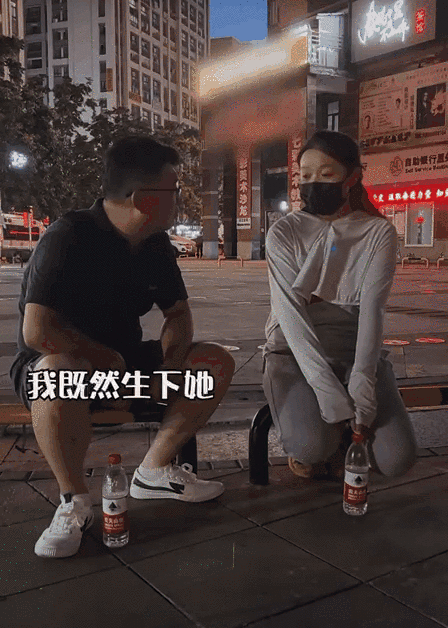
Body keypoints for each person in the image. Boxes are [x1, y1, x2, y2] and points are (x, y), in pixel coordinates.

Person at [9, 136, 235, 558]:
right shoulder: (68, 236)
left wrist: (170, 366)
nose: (178, 198)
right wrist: (99, 357)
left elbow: (178, 315)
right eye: (174, 189)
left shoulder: (155, 244)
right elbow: (37, 331)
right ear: (144, 198)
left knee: (214, 362)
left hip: (125, 373)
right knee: (56, 371)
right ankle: (73, 502)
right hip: (64, 375)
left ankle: (154, 470)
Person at [262, 130, 418, 481]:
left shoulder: (377, 233)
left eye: (326, 174)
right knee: (311, 446)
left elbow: (372, 311)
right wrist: (327, 391)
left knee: (397, 460)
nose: (313, 183)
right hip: (292, 353)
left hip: (353, 348)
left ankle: (343, 434)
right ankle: (325, 439)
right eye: (305, 175)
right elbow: (291, 316)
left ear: (352, 178)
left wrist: (362, 384)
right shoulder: (284, 233)